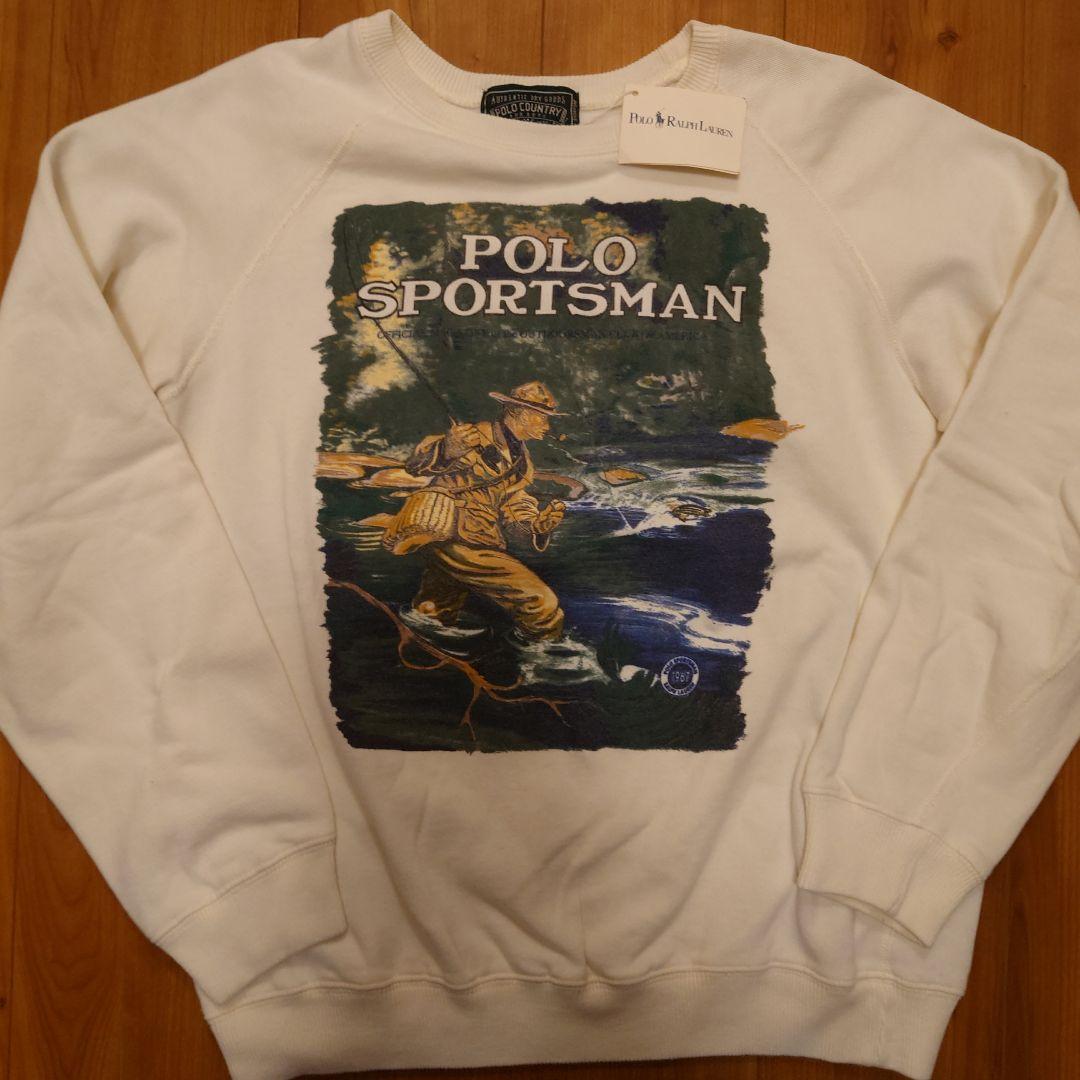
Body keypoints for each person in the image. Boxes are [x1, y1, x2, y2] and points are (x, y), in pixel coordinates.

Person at [402, 381, 567, 641]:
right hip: (455, 536)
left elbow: (514, 506)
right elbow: (415, 465)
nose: (547, 427)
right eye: (542, 417)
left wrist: (536, 526)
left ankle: (422, 649)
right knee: (541, 603)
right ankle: (542, 658)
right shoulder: (472, 435)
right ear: (518, 412)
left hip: (477, 538)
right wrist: (448, 449)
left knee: (433, 611)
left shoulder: (523, 463)